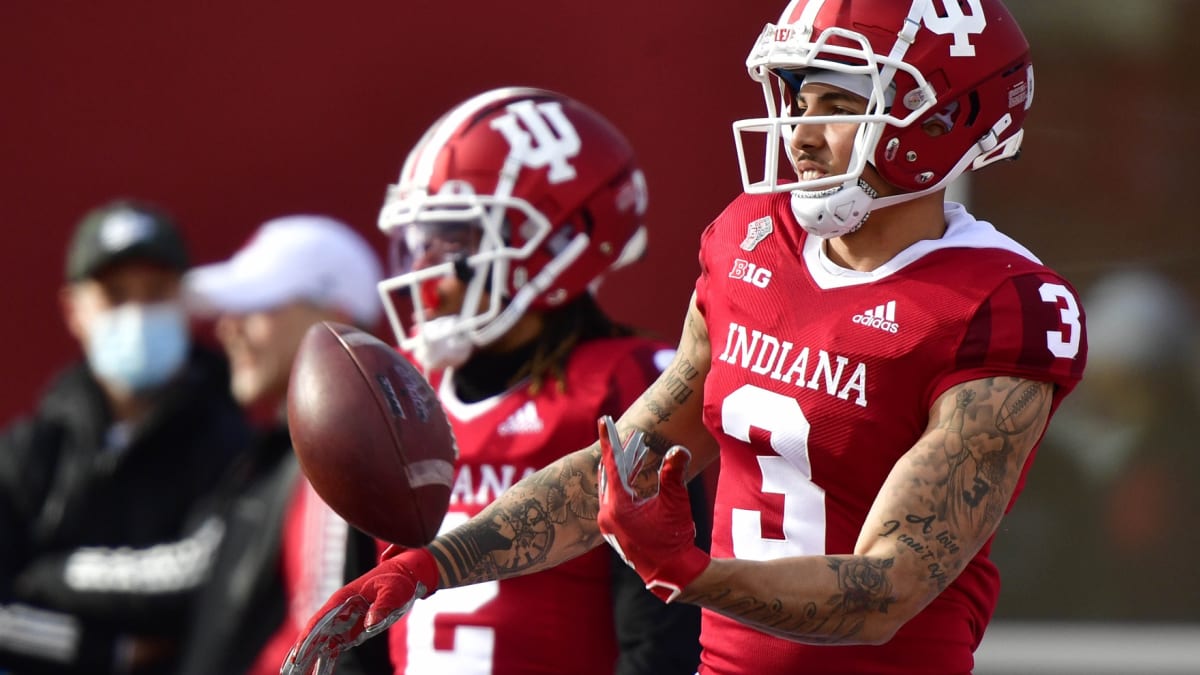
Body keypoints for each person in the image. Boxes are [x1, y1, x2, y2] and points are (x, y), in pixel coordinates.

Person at [282, 2, 1089, 674]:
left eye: (841, 102)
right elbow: (624, 462)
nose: (802, 133)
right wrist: (437, 565)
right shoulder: (749, 243)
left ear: (946, 115)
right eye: (798, 99)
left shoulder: (1002, 303)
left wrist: (691, 573)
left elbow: (888, 587)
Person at [373, 87, 706, 674]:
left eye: (456, 240)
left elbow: (661, 642)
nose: (427, 271)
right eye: (423, 241)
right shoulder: (398, 391)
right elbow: (357, 631)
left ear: (559, 241)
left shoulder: (618, 387)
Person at [0, 200, 251, 674]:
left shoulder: (232, 443)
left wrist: (45, 576)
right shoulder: (29, 451)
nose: (137, 314)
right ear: (73, 310)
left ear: (185, 301)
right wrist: (106, 653)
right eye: (115, 295)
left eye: (157, 292)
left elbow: (199, 581)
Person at [171, 215, 392, 675]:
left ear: (335, 316)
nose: (227, 327)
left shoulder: (341, 454)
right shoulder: (277, 453)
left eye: (255, 306)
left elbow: (334, 652)